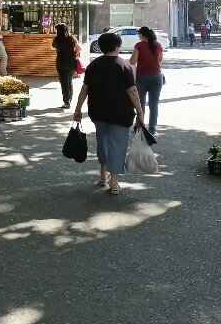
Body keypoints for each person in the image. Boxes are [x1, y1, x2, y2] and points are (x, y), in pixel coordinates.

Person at [73, 32, 144, 195]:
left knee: (102, 143)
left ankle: (103, 175)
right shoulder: (123, 65)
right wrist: (139, 112)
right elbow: (132, 91)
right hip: (120, 113)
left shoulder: (93, 65)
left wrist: (78, 108)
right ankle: (114, 182)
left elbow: (85, 89)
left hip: (98, 112)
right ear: (117, 46)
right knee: (117, 146)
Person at [129, 26, 164, 136]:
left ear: (143, 35)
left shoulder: (139, 46)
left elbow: (132, 61)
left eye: (139, 35)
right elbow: (160, 60)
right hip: (157, 77)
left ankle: (140, 127)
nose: (139, 38)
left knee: (140, 103)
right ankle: (153, 129)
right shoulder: (158, 45)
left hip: (142, 77)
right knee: (154, 105)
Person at [51, 23, 81, 110]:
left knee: (64, 82)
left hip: (60, 62)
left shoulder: (56, 39)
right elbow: (79, 48)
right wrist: (74, 53)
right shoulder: (72, 38)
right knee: (69, 81)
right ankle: (69, 101)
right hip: (71, 62)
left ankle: (66, 102)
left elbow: (52, 47)